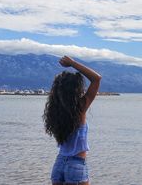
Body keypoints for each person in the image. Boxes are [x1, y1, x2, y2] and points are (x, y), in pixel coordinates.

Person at [43, 55, 102, 185]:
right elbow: (96, 79)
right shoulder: (80, 107)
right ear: (75, 89)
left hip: (58, 165)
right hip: (76, 165)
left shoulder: (55, 111)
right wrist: (73, 63)